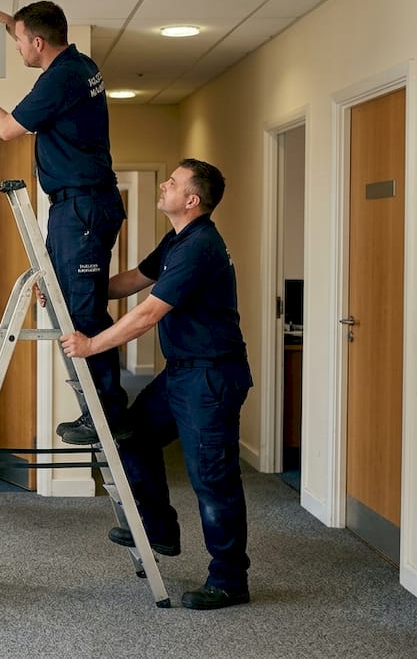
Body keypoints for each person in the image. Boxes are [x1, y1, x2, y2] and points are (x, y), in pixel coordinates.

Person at [59, 158, 254, 610]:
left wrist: (91, 345)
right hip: (184, 371)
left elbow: (147, 314)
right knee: (132, 433)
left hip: (211, 376)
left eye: (173, 182)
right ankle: (160, 527)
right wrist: (75, 291)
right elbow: (133, 281)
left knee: (213, 480)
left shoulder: (200, 246)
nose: (164, 185)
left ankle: (229, 580)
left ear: (191, 200)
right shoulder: (177, 238)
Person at [0, 0, 126, 445]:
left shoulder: (60, 79)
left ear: (38, 42)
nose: (18, 50)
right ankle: (100, 406)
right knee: (68, 304)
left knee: (82, 312)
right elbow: (35, 35)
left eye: (19, 41)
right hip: (80, 206)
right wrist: (4, 19)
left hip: (81, 209)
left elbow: (8, 129)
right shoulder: (78, 63)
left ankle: (104, 412)